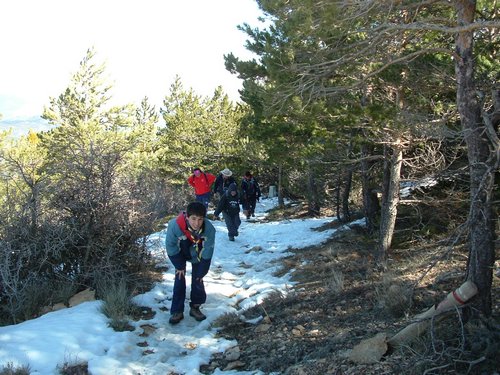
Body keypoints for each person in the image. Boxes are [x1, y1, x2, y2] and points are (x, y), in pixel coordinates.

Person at [164, 201, 216, 324]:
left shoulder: (209, 229)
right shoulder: (175, 225)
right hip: (180, 252)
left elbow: (208, 249)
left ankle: (195, 307)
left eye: (200, 219)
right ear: (187, 217)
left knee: (198, 279)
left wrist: (203, 270)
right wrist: (179, 265)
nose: (196, 223)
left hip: (198, 254)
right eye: (193, 219)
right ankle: (177, 310)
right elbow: (170, 246)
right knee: (179, 277)